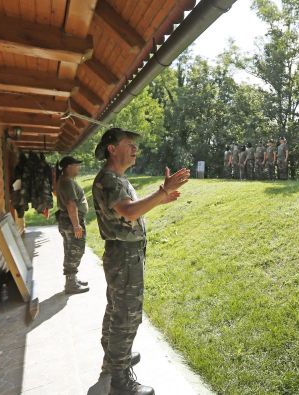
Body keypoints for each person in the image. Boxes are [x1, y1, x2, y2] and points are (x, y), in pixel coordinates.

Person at [92, 127, 190, 395]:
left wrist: (161, 199)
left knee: (117, 308)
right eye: (128, 144)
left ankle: (115, 354)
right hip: (124, 256)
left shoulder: (117, 178)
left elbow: (129, 213)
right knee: (127, 314)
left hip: (125, 254)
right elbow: (129, 211)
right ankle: (119, 381)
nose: (135, 149)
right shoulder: (110, 179)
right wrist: (161, 192)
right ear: (112, 148)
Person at [55, 156, 89, 294]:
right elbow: (71, 204)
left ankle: (72, 279)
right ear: (69, 167)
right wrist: (76, 225)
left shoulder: (64, 180)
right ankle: (71, 284)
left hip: (66, 220)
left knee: (70, 250)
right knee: (75, 250)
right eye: (76, 165)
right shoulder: (67, 181)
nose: (79, 168)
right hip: (71, 221)